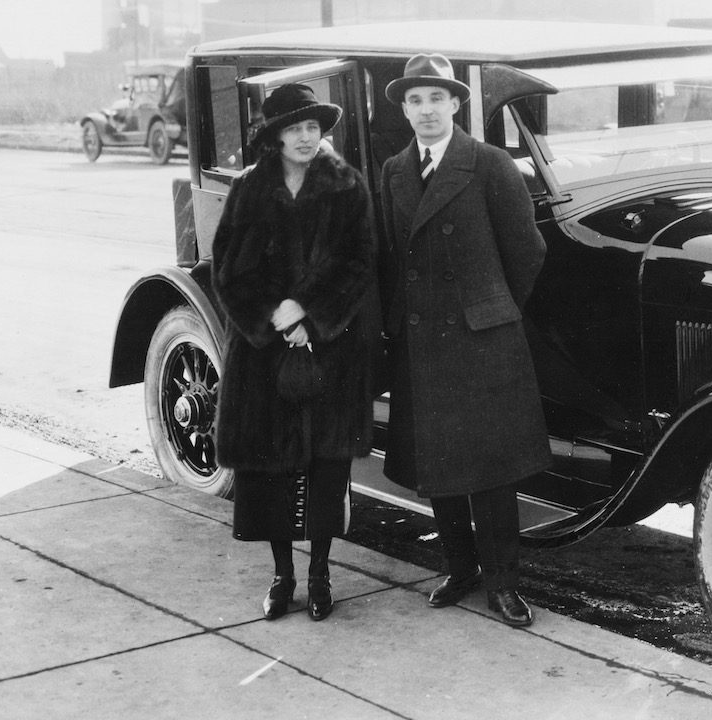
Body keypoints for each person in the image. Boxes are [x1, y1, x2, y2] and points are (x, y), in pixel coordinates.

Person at [376, 53, 550, 627]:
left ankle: (503, 582)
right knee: (439, 463)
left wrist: (490, 311)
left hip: (481, 340)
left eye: (435, 98)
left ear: (456, 104)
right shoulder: (394, 171)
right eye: (414, 100)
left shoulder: (490, 164)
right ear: (404, 109)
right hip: (423, 339)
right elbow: (390, 255)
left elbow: (526, 252)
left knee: (490, 470)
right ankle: (460, 569)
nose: (426, 110)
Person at [212, 83, 380, 622]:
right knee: (271, 468)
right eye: (295, 128)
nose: (307, 137)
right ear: (276, 136)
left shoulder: (347, 186)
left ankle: (321, 572)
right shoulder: (249, 189)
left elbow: (359, 264)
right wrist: (275, 317)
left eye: (313, 127)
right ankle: (283, 575)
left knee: (326, 467)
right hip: (263, 355)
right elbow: (228, 270)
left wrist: (310, 314)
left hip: (330, 350)